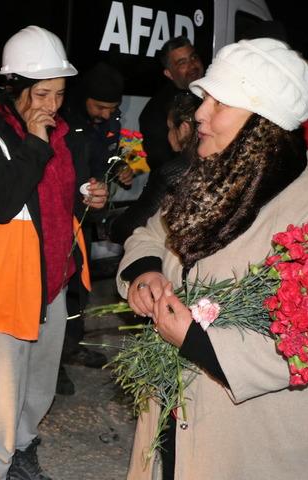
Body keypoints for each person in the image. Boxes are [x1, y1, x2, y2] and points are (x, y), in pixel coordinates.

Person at [117, 38, 308, 479]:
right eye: (204, 98)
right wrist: (146, 271)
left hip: (256, 442)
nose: (199, 113)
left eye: (218, 102)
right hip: (187, 416)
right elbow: (154, 231)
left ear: (262, 121)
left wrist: (195, 341)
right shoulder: (220, 171)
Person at [0, 25, 108, 479]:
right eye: (41, 94)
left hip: (50, 277)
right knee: (1, 398)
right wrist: (35, 145)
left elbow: (55, 199)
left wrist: (89, 197)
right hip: (4, 285)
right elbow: (1, 203)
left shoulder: (56, 131)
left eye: (59, 94)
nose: (52, 105)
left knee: (39, 383)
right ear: (14, 86)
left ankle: (22, 448)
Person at [55, 61, 127, 394]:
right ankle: (51, 365)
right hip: (59, 217)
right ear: (85, 98)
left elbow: (108, 156)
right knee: (57, 290)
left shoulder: (108, 117)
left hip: (84, 216)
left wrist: (120, 169)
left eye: (111, 109)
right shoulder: (64, 119)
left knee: (79, 288)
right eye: (99, 107)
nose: (104, 114)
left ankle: (71, 347)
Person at [108, 91, 201, 245]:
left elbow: (133, 225)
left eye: (170, 128)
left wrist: (110, 225)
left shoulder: (176, 171)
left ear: (184, 129)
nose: (168, 135)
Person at [137, 35, 204, 172]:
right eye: (182, 63)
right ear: (169, 73)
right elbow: (160, 164)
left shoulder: (217, 94)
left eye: (193, 57)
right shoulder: (155, 111)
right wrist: (180, 148)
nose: (192, 65)